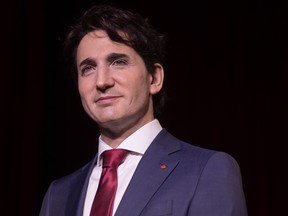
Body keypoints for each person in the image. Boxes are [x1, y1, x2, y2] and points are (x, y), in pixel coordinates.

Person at [39, 4, 248, 216]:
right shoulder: (58, 195)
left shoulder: (207, 171)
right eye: (88, 68)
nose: (102, 81)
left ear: (154, 78)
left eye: (118, 62)